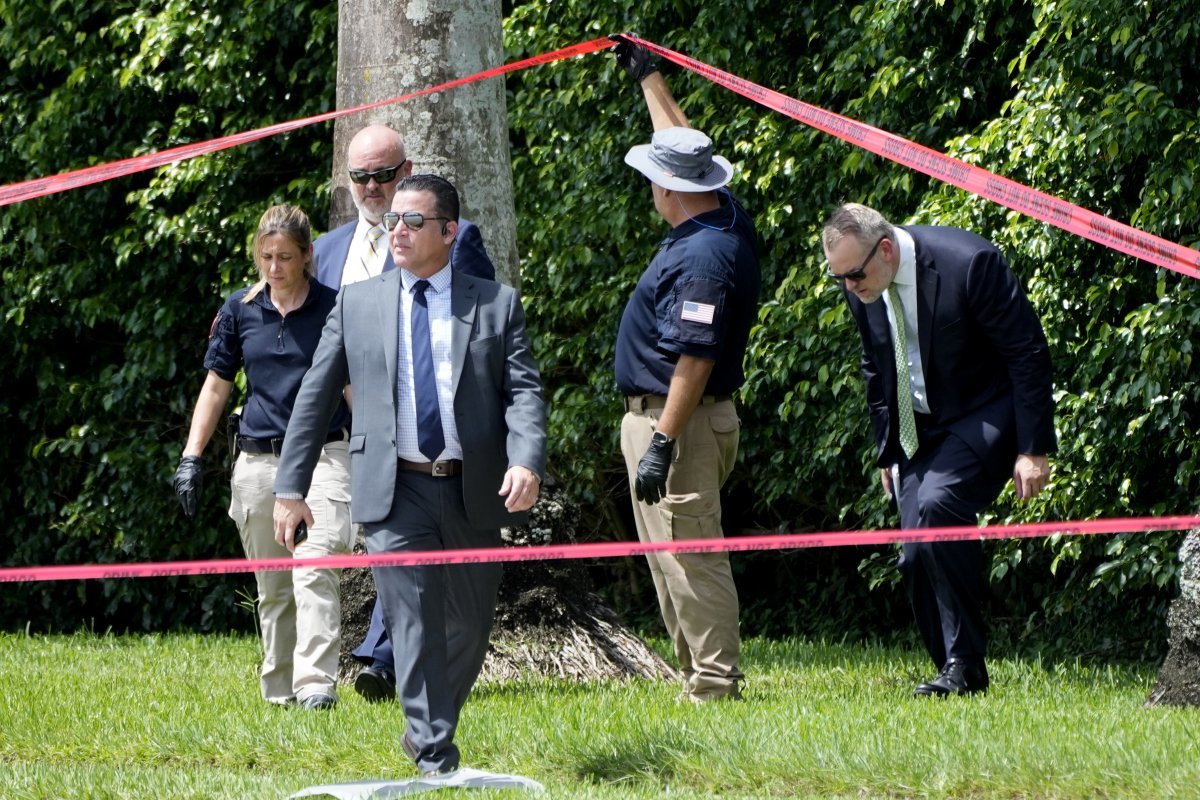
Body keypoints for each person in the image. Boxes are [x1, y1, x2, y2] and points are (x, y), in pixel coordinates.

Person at [272, 174, 546, 776]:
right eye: (393, 219)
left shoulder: (495, 303)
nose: (397, 230)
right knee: (414, 621)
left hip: (472, 487)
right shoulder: (360, 301)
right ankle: (434, 755)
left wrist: (525, 459)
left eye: (413, 221)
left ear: (450, 232)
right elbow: (315, 396)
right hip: (395, 490)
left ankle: (427, 724)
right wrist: (290, 489)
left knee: (471, 629)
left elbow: (523, 393)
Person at [821, 202, 1055, 697]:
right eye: (838, 278)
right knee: (913, 555)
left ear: (885, 250)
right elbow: (874, 365)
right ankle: (951, 667)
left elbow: (1028, 351)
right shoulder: (862, 282)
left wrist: (1034, 448)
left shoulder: (969, 263)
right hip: (920, 430)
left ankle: (965, 665)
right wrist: (887, 449)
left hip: (987, 413)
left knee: (936, 507)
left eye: (854, 275)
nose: (849, 288)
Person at [315, 123, 498, 704]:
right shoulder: (326, 251)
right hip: (343, 434)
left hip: (426, 442)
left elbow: (479, 334)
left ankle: (385, 660)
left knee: (422, 572)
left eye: (384, 175)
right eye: (360, 177)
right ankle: (374, 665)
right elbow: (320, 352)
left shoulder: (458, 239)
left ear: (405, 170)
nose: (372, 188)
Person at [610, 37, 762, 703]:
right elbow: (679, 142)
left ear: (667, 189)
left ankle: (714, 687)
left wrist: (664, 441)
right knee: (668, 556)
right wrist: (649, 78)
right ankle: (695, 678)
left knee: (692, 555)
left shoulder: (706, 256)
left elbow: (695, 356)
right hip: (667, 421)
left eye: (654, 178)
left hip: (682, 423)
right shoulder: (722, 215)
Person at [173, 204, 354, 710]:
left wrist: (380, 451)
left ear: (307, 256)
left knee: (315, 563)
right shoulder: (239, 310)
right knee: (274, 588)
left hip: (324, 455)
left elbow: (352, 387)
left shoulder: (334, 308)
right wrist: (191, 456)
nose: (274, 268)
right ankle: (279, 695)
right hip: (257, 460)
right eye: (266, 257)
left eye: (286, 257)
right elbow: (216, 387)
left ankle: (317, 687)